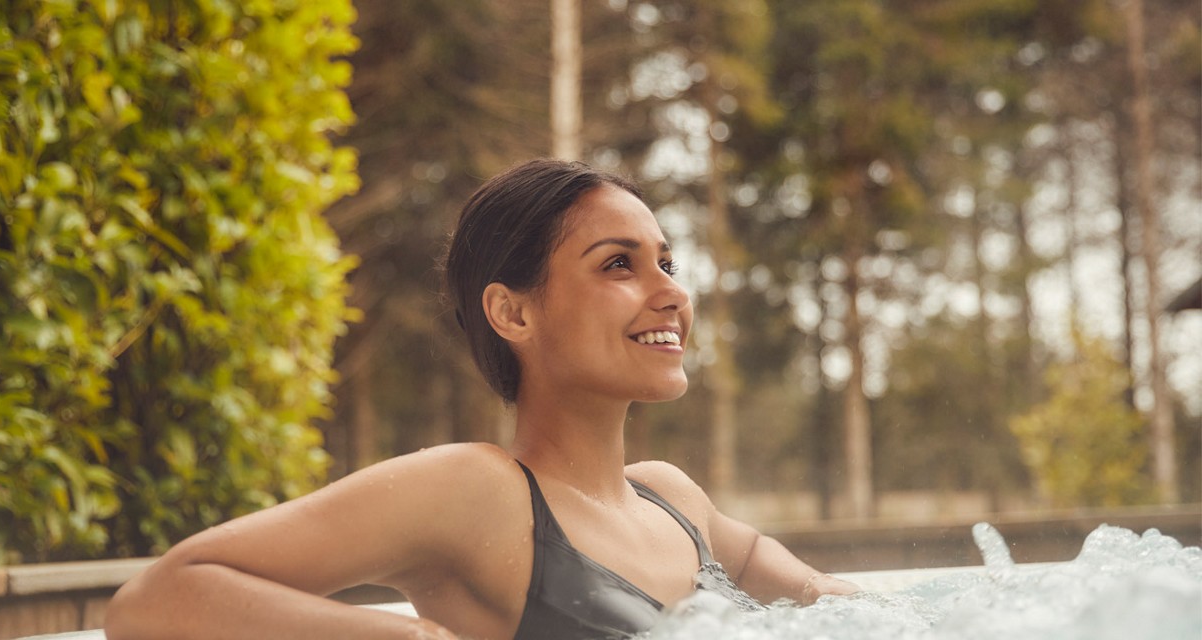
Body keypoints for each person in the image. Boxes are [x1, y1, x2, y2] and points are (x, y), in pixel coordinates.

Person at [104, 159, 858, 640]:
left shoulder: (671, 499)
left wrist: (834, 598)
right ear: (514, 313)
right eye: (619, 265)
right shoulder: (479, 492)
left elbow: (776, 569)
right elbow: (155, 600)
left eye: (667, 261)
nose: (672, 293)